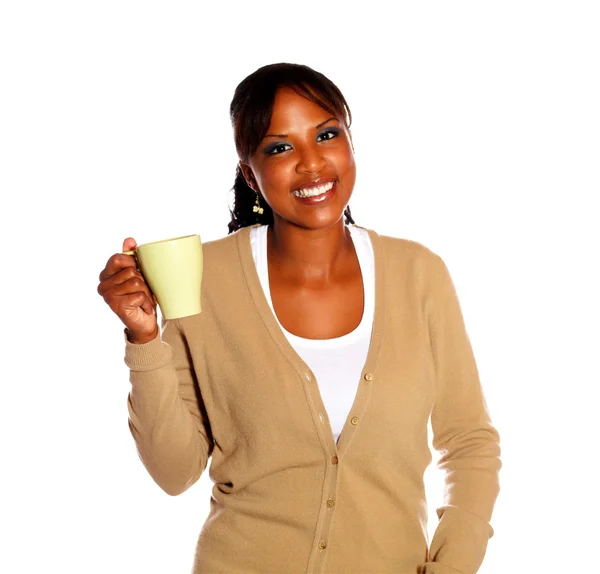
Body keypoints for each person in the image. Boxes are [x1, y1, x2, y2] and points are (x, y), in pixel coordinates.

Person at [97, 63, 501, 574]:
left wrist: (453, 564)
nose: (312, 164)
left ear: (351, 143)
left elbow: (469, 442)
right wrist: (145, 338)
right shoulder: (202, 279)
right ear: (249, 172)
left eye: (327, 134)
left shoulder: (417, 274)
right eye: (280, 147)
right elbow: (175, 472)